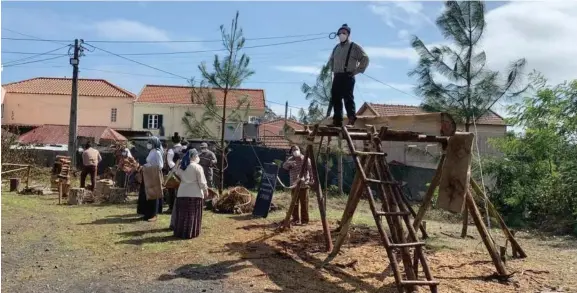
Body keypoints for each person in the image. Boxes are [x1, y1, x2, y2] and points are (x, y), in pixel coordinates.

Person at [327, 23, 370, 127]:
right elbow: (331, 60)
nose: (342, 34)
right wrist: (332, 70)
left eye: (344, 33)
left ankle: (351, 119)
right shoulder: (336, 48)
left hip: (348, 76)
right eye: (340, 33)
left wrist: (356, 71)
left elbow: (365, 59)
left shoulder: (354, 46)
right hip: (337, 76)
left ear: (348, 34)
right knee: (336, 98)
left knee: (348, 98)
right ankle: (337, 121)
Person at [171, 148, 208, 239]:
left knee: (182, 215)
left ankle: (180, 232)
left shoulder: (182, 166)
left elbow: (175, 172)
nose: (198, 157)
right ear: (193, 156)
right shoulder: (197, 167)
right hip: (194, 194)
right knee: (192, 214)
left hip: (182, 193)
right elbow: (202, 182)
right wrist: (205, 190)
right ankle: (191, 232)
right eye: (197, 155)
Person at [282, 145, 314, 225]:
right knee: (294, 203)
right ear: (292, 152)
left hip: (304, 185)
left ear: (299, 150)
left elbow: (310, 170)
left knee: (304, 203)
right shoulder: (290, 160)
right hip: (294, 185)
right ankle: (295, 219)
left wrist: (311, 179)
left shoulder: (306, 159)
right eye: (293, 150)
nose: (295, 151)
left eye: (296, 149)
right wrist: (289, 164)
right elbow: (284, 167)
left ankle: (305, 220)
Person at [137, 136, 164, 222]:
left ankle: (154, 214)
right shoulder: (152, 151)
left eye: (150, 142)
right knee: (147, 194)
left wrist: (148, 166)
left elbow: (160, 165)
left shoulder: (157, 152)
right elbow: (150, 162)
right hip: (148, 174)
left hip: (154, 175)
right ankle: (147, 213)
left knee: (154, 194)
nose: (148, 144)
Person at [163, 136, 183, 213]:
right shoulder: (184, 148)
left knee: (172, 189)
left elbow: (170, 162)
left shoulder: (171, 150)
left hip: (174, 172)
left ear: (173, 141)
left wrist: (175, 169)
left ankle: (172, 208)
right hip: (184, 172)